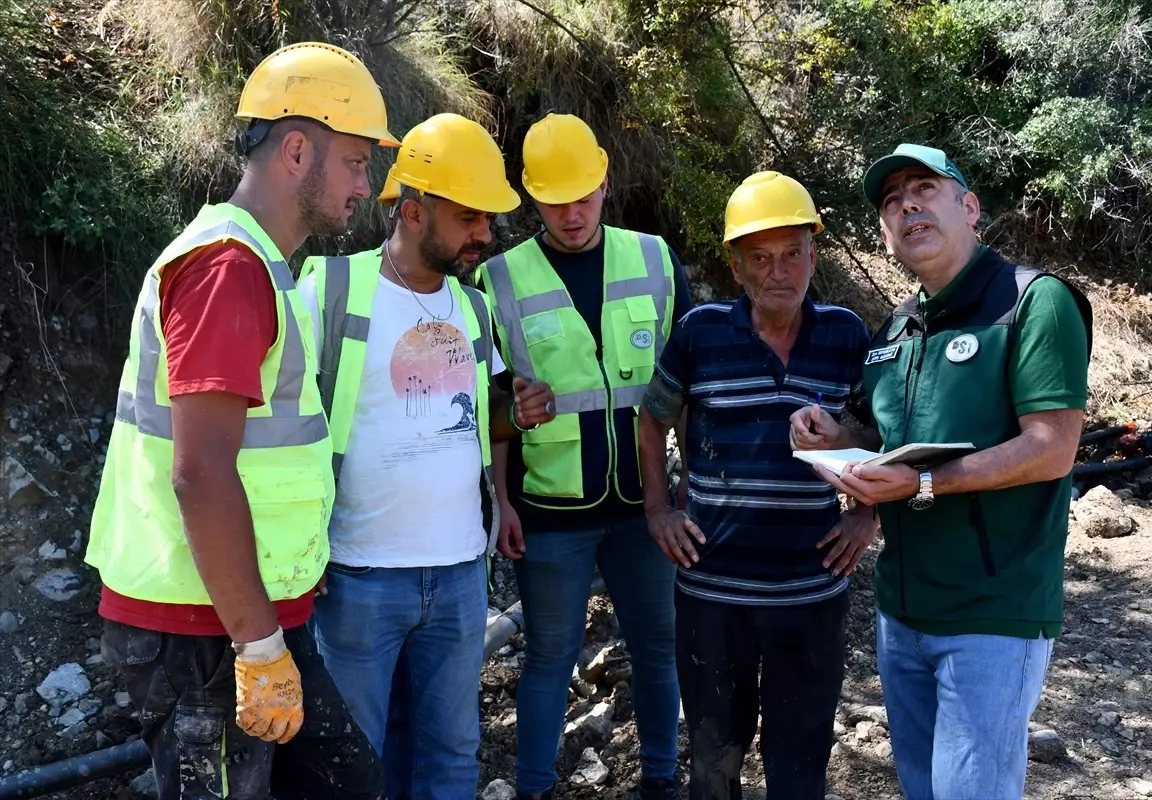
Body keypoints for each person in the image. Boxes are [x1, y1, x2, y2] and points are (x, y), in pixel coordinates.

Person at [85, 42, 399, 799]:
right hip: (206, 629)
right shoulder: (229, 268)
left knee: (346, 782)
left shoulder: (258, 265)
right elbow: (200, 472)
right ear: (298, 150)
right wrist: (258, 643)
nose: (368, 185)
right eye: (357, 162)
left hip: (239, 616)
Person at [808, 143, 1092, 800]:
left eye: (924, 189)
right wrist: (832, 436)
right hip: (902, 613)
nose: (907, 204)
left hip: (993, 614)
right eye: (891, 200)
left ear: (970, 208)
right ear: (884, 235)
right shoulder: (894, 331)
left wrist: (925, 483)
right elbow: (876, 434)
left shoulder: (1033, 302)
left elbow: (1053, 446)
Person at [295, 113, 554, 800]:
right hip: (357, 577)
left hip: (460, 572)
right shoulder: (329, 292)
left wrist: (514, 420)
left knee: (450, 758)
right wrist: (295, 549)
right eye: (470, 217)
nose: (485, 234)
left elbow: (476, 417)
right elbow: (279, 431)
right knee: (353, 765)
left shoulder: (472, 308)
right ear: (412, 210)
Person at [639, 171, 879, 800]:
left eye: (793, 253)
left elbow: (884, 435)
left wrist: (865, 516)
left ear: (814, 254)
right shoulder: (700, 334)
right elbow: (651, 418)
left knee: (800, 762)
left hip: (811, 592)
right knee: (715, 763)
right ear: (736, 267)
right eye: (761, 258)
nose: (780, 272)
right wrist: (659, 509)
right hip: (713, 595)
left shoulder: (847, 335)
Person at [476, 113, 693, 800]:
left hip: (645, 510)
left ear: (605, 179)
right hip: (550, 514)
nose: (571, 214)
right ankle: (535, 787)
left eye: (582, 195)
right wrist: (501, 502)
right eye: (553, 200)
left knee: (658, 652)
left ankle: (660, 779)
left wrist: (699, 491)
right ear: (530, 197)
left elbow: (694, 381)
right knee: (547, 659)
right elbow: (485, 408)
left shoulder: (655, 260)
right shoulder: (497, 280)